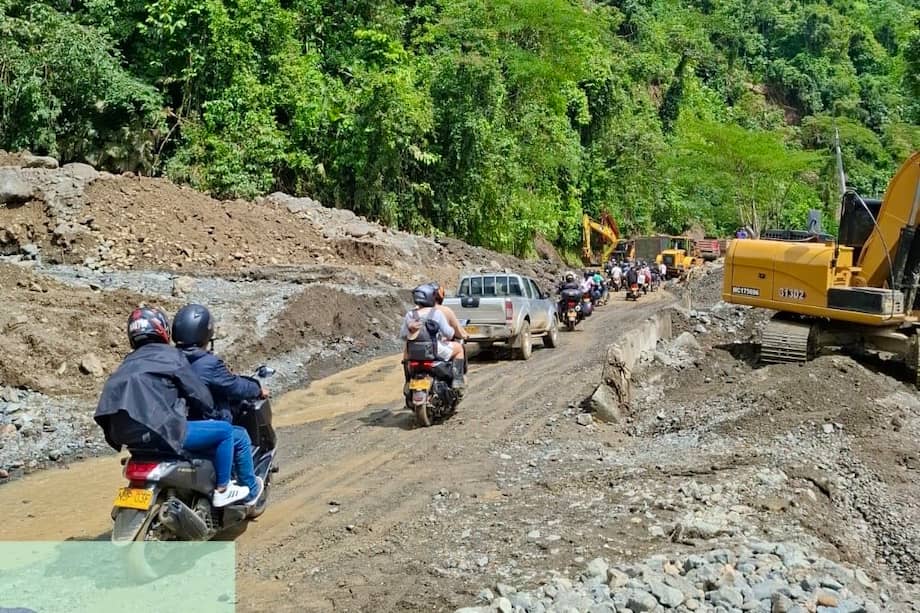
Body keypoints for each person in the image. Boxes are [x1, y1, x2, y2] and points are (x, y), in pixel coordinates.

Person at [94, 307, 249, 507]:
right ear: (163, 330)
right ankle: (223, 489)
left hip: (124, 437)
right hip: (161, 432)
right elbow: (197, 393)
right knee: (225, 431)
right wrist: (213, 413)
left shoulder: (127, 362)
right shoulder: (171, 356)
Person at [172, 304, 265, 507]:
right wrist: (257, 389)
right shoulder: (208, 363)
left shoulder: (170, 359)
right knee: (239, 435)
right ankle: (249, 492)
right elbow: (235, 386)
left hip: (172, 423)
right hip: (197, 426)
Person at [401, 284, 465, 389]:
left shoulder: (410, 314)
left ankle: (408, 381)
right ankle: (457, 380)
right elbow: (448, 333)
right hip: (433, 350)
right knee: (459, 349)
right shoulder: (437, 313)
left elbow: (403, 336)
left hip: (413, 352)